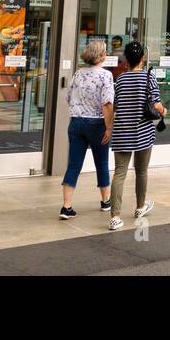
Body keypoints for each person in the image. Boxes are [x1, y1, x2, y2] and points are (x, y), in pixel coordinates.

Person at [107, 40, 165, 231]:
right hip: (143, 131)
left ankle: (115, 216)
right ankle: (140, 207)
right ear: (142, 58)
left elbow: (115, 104)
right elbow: (155, 104)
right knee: (141, 171)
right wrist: (163, 110)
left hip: (123, 130)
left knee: (119, 172)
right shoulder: (149, 77)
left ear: (126, 60)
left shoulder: (120, 79)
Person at [60, 39, 115, 219]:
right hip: (97, 123)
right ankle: (105, 201)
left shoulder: (77, 74)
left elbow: (68, 97)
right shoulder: (105, 76)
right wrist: (109, 127)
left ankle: (66, 206)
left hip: (76, 122)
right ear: (102, 55)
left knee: (74, 164)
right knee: (102, 162)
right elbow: (107, 104)